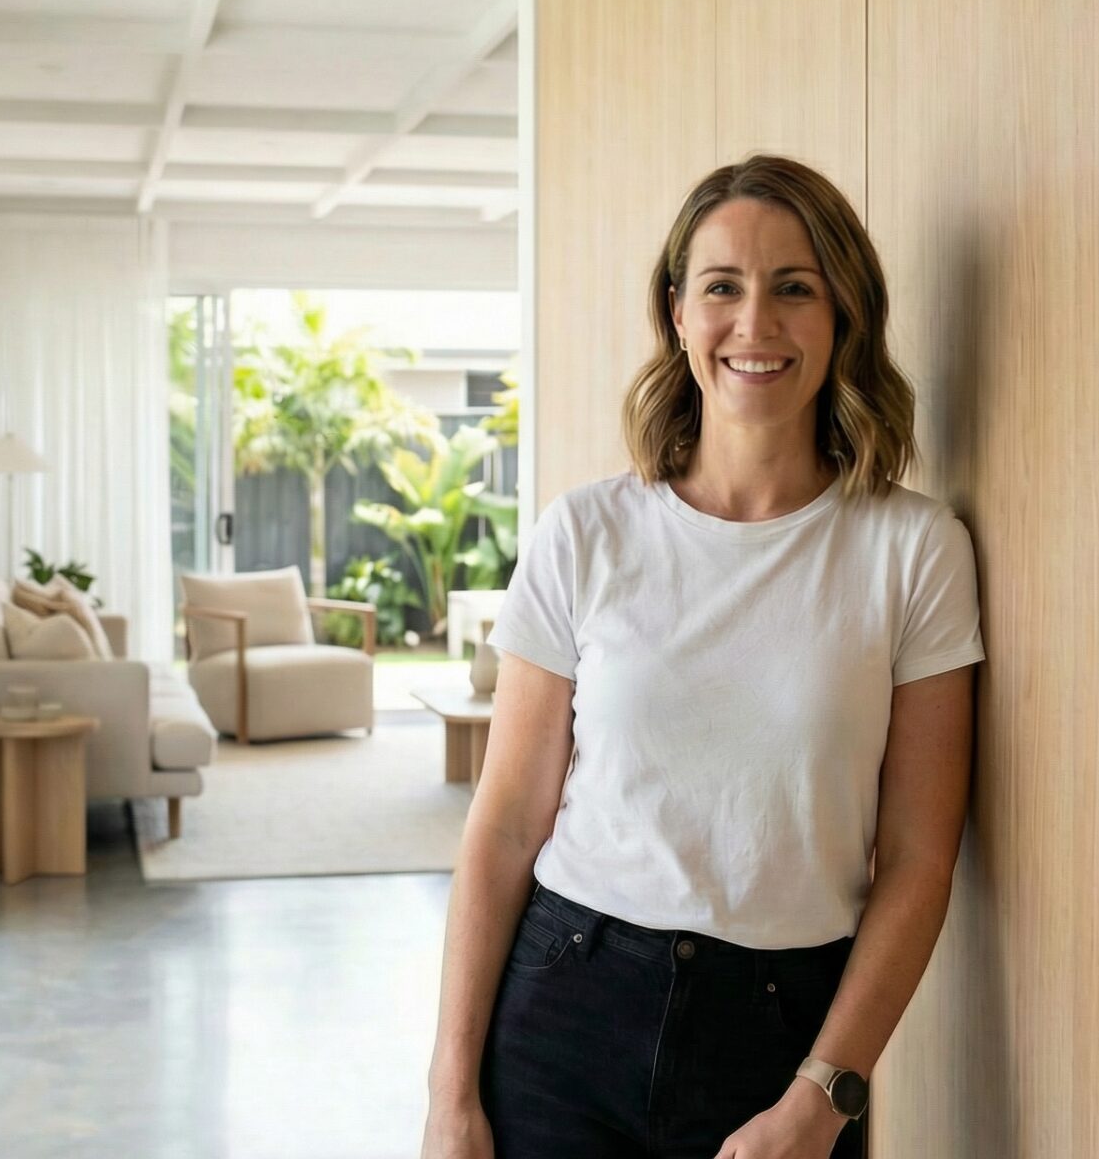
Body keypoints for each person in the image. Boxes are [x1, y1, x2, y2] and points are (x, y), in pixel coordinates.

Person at [420, 155, 984, 1159]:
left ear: (843, 313)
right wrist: (450, 1093)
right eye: (722, 286)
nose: (754, 324)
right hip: (565, 1005)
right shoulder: (584, 533)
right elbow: (504, 826)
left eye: (795, 288)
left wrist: (823, 1096)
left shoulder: (913, 549)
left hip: (783, 1039)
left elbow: (916, 859)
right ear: (677, 312)